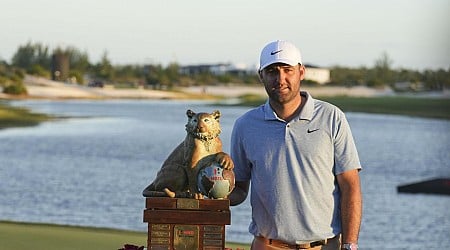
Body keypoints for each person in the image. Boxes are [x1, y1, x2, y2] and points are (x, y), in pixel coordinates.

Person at [229, 40, 362, 250]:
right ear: (261, 75)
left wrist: (350, 244)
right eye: (272, 71)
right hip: (268, 246)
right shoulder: (245, 125)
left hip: (324, 246)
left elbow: (350, 186)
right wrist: (205, 192)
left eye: (287, 70)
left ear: (301, 72)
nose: (280, 79)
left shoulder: (332, 117)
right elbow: (238, 189)